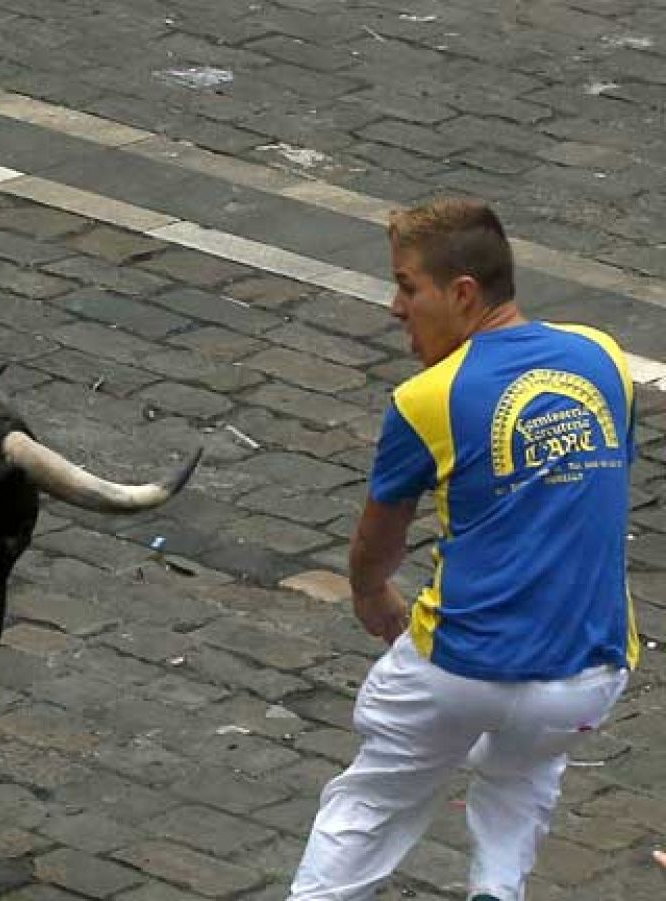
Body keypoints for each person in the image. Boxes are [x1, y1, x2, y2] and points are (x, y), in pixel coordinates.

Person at [287, 197, 637, 901]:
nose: (396, 306)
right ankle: (496, 890)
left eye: (408, 286)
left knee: (376, 797)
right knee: (526, 770)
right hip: (587, 670)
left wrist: (367, 592)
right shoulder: (604, 357)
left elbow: (376, 545)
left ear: (463, 293)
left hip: (457, 667)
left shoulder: (427, 397)